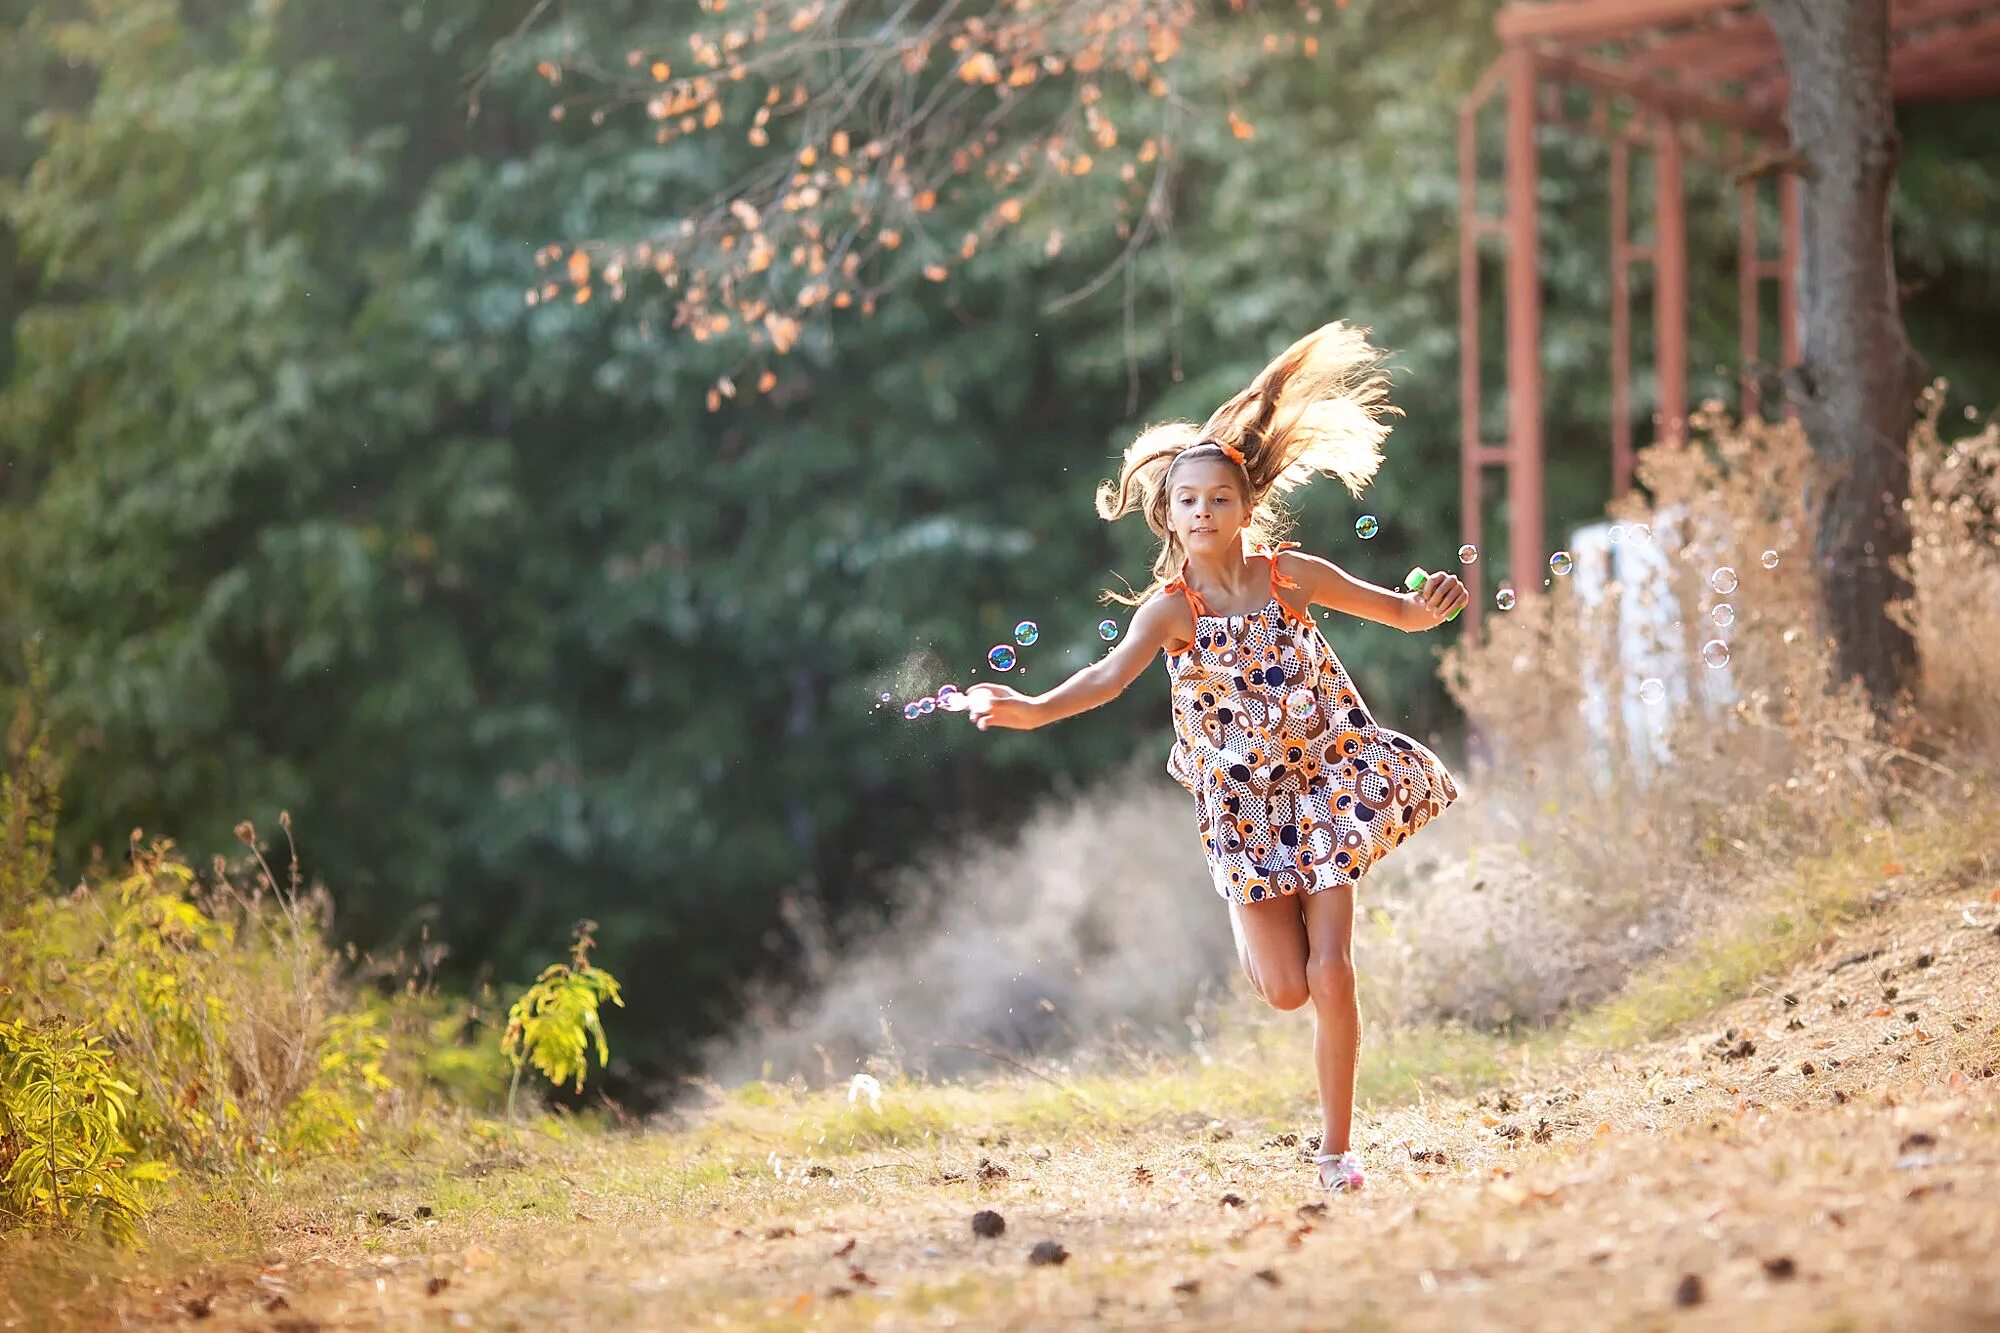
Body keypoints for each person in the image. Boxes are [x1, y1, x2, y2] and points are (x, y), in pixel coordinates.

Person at [964, 322, 1468, 1193]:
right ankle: (1264, 923)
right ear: (1169, 516)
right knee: (1284, 989)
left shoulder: (1291, 575)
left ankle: (1337, 1152)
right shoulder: (1171, 610)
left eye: (1219, 499)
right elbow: (1106, 676)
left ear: (1246, 507)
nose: (1203, 512)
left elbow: (1396, 611)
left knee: (1333, 968)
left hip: (1326, 777)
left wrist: (1433, 606)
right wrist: (1036, 708)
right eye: (1187, 501)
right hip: (1241, 807)